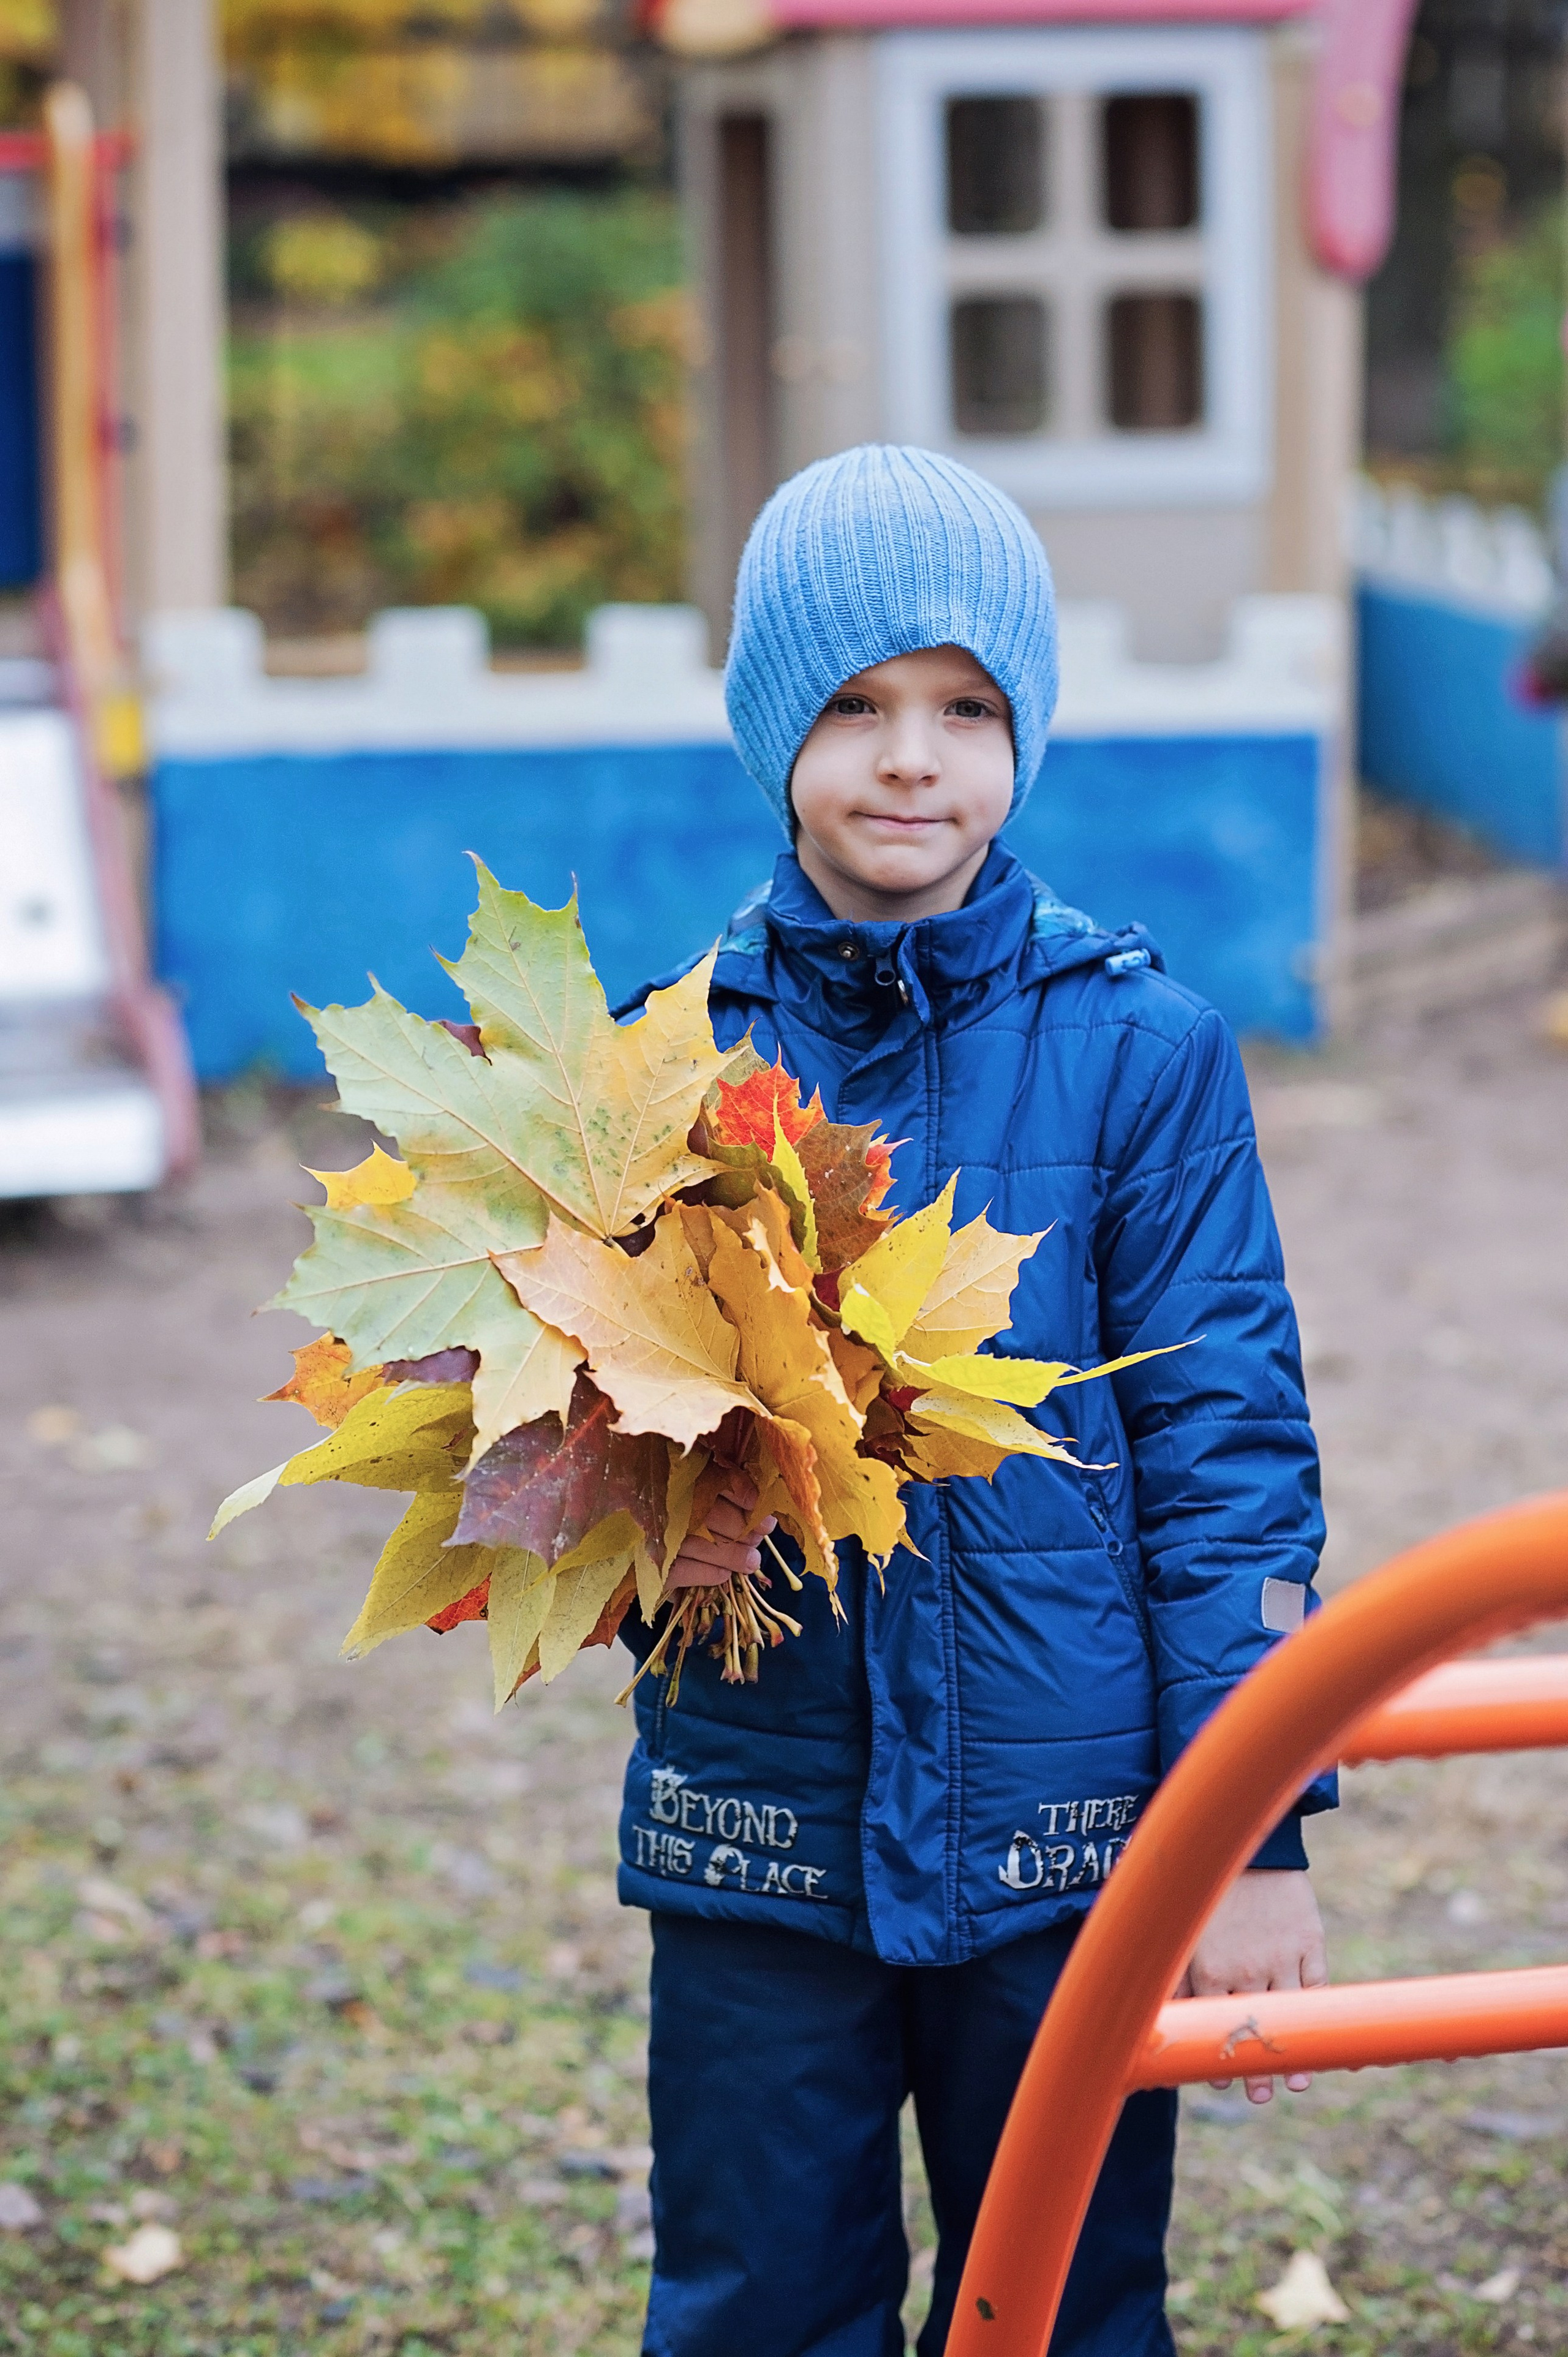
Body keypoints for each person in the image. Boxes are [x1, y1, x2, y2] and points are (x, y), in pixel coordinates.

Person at [612, 444, 1334, 2357]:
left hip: (1066, 1831)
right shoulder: (667, 1059)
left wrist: (1251, 1831)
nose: (910, 756)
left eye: (964, 707)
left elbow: (1229, 1464)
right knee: (761, 2299)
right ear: (776, 725)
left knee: (1068, 2301)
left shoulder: (1143, 1055)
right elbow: (584, 1448)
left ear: (1027, 736)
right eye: (854, 706)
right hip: (762, 1820)